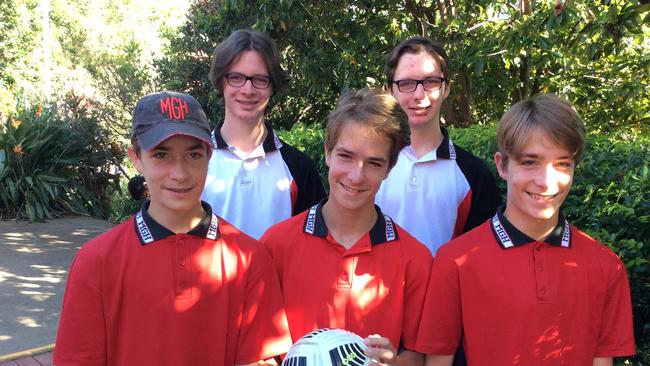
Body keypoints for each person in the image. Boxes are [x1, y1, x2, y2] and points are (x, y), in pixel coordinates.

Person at [54, 91, 291, 365]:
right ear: (136, 158)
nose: (179, 173)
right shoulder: (96, 261)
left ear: (209, 156)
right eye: (162, 155)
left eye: (192, 154)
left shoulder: (250, 259)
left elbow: (259, 359)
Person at [416, 94, 636, 365]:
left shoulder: (605, 266)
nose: (546, 181)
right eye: (530, 162)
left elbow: (602, 360)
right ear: (502, 165)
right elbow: (438, 360)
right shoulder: (455, 261)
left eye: (562, 163)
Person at [260, 88, 432, 365]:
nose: (356, 176)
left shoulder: (415, 259)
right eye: (346, 156)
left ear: (390, 168)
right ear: (327, 153)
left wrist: (395, 362)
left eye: (374, 163)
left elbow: (417, 355)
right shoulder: (276, 244)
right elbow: (260, 351)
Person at [376, 36, 502, 255]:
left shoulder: (474, 174)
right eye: (406, 83)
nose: (419, 94)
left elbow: (483, 258)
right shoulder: (368, 165)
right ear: (389, 90)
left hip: (446, 290)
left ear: (446, 88)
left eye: (431, 81)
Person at [201, 29, 325, 240]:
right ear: (221, 82)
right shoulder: (197, 161)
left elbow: (313, 248)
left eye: (260, 79)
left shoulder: (299, 168)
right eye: (236, 77)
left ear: (272, 86)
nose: (248, 90)